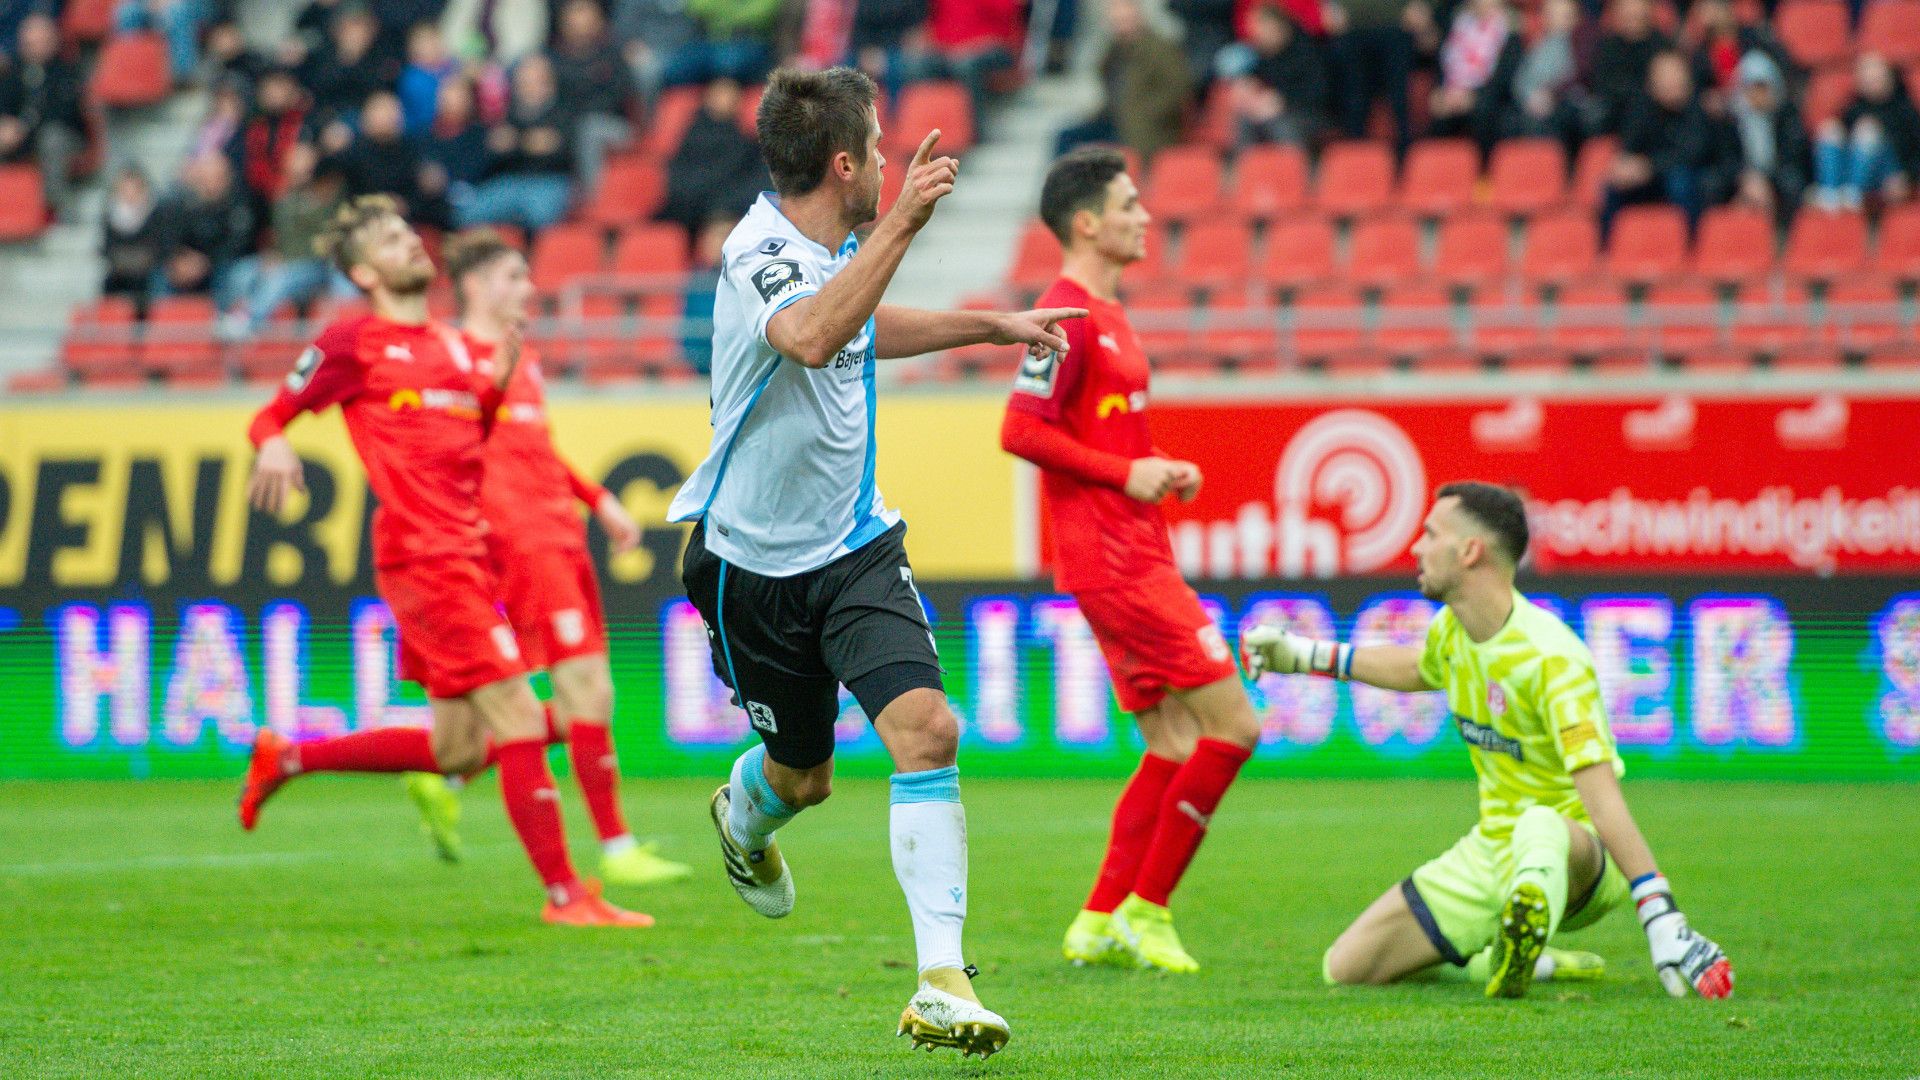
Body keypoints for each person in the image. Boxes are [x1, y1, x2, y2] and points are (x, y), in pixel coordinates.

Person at [668, 66, 1081, 1058]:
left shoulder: (838, 251)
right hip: (750, 571)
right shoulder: (757, 254)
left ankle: (941, 981)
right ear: (846, 165)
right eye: (883, 150)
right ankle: (746, 817)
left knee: (928, 730)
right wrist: (902, 226)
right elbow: (813, 334)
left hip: (856, 548)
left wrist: (989, 325)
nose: (894, 164)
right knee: (803, 781)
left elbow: (856, 329)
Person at [236, 195, 652, 929]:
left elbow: (477, 437)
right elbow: (272, 412)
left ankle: (288, 758)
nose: (410, 244)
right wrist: (272, 439)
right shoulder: (350, 344)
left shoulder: (457, 349)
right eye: (391, 239)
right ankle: (565, 896)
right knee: (521, 712)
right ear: (365, 271)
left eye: (407, 231)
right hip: (424, 560)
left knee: (460, 750)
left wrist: (494, 389)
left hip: (470, 553)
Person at [1243, 482, 1735, 1000]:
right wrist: (1301, 656)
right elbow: (1416, 666)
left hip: (1578, 857)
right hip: (1492, 852)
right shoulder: (1451, 632)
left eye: (1430, 534)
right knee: (1346, 967)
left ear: (1470, 550)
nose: (1416, 547)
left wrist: (1659, 913)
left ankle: (1524, 928)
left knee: (1538, 824)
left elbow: (1602, 797)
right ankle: (1506, 956)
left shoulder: (1552, 658)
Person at [1000, 147, 1261, 974]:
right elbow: (1019, 429)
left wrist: (1156, 471)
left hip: (1133, 546)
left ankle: (1100, 916)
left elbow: (1103, 433)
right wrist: (1126, 474)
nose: (1145, 217)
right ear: (1087, 222)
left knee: (1173, 741)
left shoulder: (1110, 311)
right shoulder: (1065, 314)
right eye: (1128, 204)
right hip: (1115, 562)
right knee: (1236, 726)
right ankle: (1149, 910)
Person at [396, 229, 695, 889]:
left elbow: (536, 450)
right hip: (522, 543)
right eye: (512, 278)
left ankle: (452, 772)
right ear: (474, 286)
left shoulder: (517, 357)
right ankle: (616, 850)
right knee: (588, 689)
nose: (528, 289)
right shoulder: (451, 359)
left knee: (571, 698)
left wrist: (598, 500)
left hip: (560, 533)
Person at [219, 144, 354, 341]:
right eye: (292, 164)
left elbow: (332, 240)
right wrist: (271, 255)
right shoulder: (283, 200)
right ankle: (229, 317)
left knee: (279, 278)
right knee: (242, 271)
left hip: (316, 266)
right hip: (285, 260)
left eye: (303, 165)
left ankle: (248, 323)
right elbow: (280, 237)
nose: (296, 169)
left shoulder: (330, 194)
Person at [1602, 50, 1724, 235]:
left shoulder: (1702, 108)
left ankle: (1689, 244)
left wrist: (1649, 167)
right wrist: (1625, 165)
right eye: (1665, 78)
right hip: (1653, 176)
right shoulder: (1641, 108)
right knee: (1615, 184)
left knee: (1680, 181)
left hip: (1697, 176)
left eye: (1677, 76)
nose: (1673, 83)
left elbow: (1694, 153)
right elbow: (1629, 145)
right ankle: (1609, 246)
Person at [1055, 0, 1190, 161]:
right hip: (1113, 122)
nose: (1119, 20)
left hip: (1145, 129)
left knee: (1102, 155)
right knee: (1066, 137)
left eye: (1124, 15)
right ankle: (1061, 185)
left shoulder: (1159, 48)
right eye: (1114, 16)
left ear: (1137, 14)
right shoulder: (1114, 49)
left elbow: (1179, 88)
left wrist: (1145, 113)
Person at [454, 54, 575, 231]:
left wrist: (517, 142)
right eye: (522, 81)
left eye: (533, 81)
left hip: (548, 180)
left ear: (548, 82)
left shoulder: (563, 112)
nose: (526, 87)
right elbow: (496, 147)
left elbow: (559, 151)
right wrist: (528, 142)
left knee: (540, 217)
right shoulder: (509, 111)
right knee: (466, 215)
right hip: (510, 179)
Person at [1711, 49, 1809, 224]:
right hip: (1742, 176)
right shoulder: (1730, 119)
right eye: (1752, 88)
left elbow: (1794, 153)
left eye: (1763, 87)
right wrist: (1745, 178)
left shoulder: (1787, 116)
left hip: (1776, 173)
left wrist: (1765, 179)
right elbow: (1725, 157)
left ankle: (1787, 234)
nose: (1758, 94)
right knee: (1711, 184)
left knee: (1792, 184)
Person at [1813, 52, 1920, 211]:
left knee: (1868, 131)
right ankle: (1830, 192)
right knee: (1830, 129)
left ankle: (1853, 193)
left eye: (1876, 78)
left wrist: (1908, 178)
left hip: (1890, 172)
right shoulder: (1854, 107)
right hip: (1852, 168)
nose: (1871, 83)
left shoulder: (1905, 110)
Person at [659, 77, 767, 235]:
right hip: (691, 211)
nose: (726, 100)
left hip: (727, 210)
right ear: (709, 98)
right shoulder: (693, 137)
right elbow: (679, 181)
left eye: (732, 95)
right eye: (721, 94)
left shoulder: (747, 144)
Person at [0, 14, 84, 214]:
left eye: (39, 42)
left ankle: (55, 208)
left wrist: (23, 129)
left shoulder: (66, 71)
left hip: (65, 138)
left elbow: (62, 113)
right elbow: (5, 104)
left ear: (53, 42)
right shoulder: (14, 73)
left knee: (52, 138)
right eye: (29, 44)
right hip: (20, 139)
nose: (33, 49)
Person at [1215, 4, 1328, 149]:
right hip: (1271, 112)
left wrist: (1283, 101)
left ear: (1280, 27)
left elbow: (1319, 94)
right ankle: (1244, 167)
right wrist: (1247, 89)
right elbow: (1255, 83)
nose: (1259, 34)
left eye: (1264, 28)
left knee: (1282, 124)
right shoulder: (1260, 55)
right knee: (1246, 119)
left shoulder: (1308, 52)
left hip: (1310, 113)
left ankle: (1295, 168)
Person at [152, 152, 257, 301]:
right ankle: (162, 321)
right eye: (206, 178)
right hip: (191, 264)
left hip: (221, 264)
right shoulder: (184, 204)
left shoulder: (241, 205)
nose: (212, 184)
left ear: (228, 178)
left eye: (218, 178)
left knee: (229, 273)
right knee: (163, 273)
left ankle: (223, 320)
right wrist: (180, 260)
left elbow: (237, 245)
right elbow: (171, 237)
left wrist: (205, 263)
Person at [101, 165, 163, 301]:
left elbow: (157, 246)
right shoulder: (110, 216)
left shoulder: (155, 213)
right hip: (120, 273)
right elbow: (107, 248)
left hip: (147, 272)